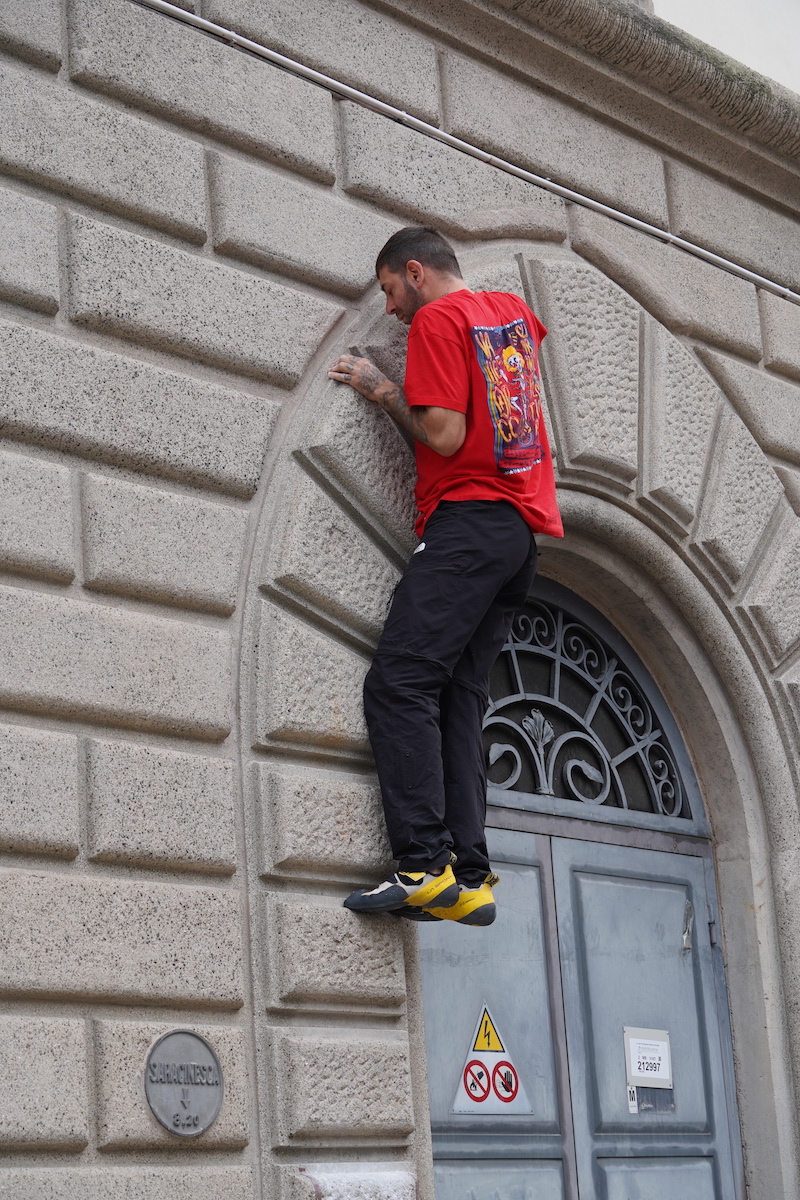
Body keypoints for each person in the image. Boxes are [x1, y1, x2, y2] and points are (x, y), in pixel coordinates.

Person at [328, 227, 563, 926]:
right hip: (518, 536)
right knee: (460, 696)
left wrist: (382, 390)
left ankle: (422, 866)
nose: (391, 310)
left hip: (467, 524)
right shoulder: (512, 315)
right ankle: (471, 876)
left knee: (399, 682)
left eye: (390, 291)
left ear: (415, 272)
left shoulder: (438, 318)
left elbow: (446, 436)